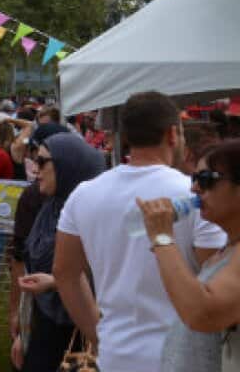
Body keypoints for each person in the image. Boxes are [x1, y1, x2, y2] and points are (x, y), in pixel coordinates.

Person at [54, 90, 227, 372]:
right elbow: (216, 279)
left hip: (116, 354)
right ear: (173, 134)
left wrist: (98, 336)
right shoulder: (196, 196)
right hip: (186, 356)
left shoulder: (83, 195)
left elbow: (65, 274)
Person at [140, 139, 240, 371]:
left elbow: (203, 314)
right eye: (195, 179)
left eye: (206, 179)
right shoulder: (229, 248)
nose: (194, 188)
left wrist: (162, 239)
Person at [13, 133, 104, 371]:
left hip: (83, 331)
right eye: (34, 160)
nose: (35, 169)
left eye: (43, 162)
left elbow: (107, 275)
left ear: (67, 166)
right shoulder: (50, 209)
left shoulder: (92, 213)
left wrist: (56, 282)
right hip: (46, 325)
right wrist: (25, 333)